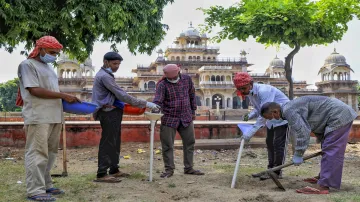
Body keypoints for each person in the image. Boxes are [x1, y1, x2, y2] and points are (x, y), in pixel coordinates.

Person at [17, 36, 80, 201]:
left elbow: (52, 92)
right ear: (41, 49)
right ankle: (35, 190)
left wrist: (70, 102)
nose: (54, 55)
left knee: (50, 153)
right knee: (37, 152)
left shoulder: (49, 68)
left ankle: (46, 184)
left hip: (54, 115)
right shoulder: (27, 65)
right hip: (38, 116)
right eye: (52, 52)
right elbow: (34, 90)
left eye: (56, 53)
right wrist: (64, 95)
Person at [260, 96, 357, 194]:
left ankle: (323, 186)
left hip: (339, 115)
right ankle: (323, 177)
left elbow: (303, 132)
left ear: (275, 112)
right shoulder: (288, 108)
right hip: (336, 114)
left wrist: (298, 153)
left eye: (270, 118)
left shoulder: (289, 111)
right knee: (327, 148)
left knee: (331, 150)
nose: (272, 120)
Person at [92, 52, 160, 183]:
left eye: (118, 64)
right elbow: (122, 95)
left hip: (113, 111)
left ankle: (114, 170)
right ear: (106, 62)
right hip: (107, 112)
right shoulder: (105, 76)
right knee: (108, 142)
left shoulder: (106, 75)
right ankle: (101, 174)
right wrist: (146, 103)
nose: (117, 66)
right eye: (114, 63)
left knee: (115, 141)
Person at [233, 72, 290, 180]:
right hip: (271, 120)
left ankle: (277, 172)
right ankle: (270, 170)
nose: (242, 92)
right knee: (270, 144)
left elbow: (265, 113)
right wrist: (249, 116)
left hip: (282, 118)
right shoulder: (250, 93)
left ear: (250, 83)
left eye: (243, 88)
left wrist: (252, 131)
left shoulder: (264, 91)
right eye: (239, 89)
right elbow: (259, 109)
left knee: (278, 145)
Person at [153, 64, 204, 178]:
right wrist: (154, 117)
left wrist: (193, 111)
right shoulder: (162, 85)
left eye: (174, 77)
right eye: (169, 78)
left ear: (178, 72)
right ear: (165, 76)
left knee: (189, 143)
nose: (172, 80)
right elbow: (158, 101)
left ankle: (189, 168)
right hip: (169, 118)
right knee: (167, 145)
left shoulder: (187, 79)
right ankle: (169, 170)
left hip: (186, 116)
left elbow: (192, 95)